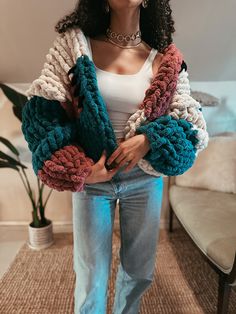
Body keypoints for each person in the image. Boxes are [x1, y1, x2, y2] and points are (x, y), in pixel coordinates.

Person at [21, 0, 209, 313]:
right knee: (91, 273)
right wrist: (80, 170)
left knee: (139, 271)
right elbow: (43, 115)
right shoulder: (74, 48)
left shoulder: (166, 59)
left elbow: (191, 122)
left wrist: (148, 140)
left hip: (144, 179)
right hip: (93, 178)